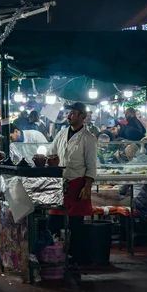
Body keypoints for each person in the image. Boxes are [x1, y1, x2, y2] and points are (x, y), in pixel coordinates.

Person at [47, 102, 97, 266]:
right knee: (53, 221)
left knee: (76, 225)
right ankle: (54, 256)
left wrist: (87, 186)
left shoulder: (88, 138)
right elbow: (51, 153)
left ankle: (77, 260)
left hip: (78, 184)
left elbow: (91, 165)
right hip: (60, 183)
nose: (69, 116)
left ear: (82, 117)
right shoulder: (61, 133)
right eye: (69, 113)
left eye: (73, 113)